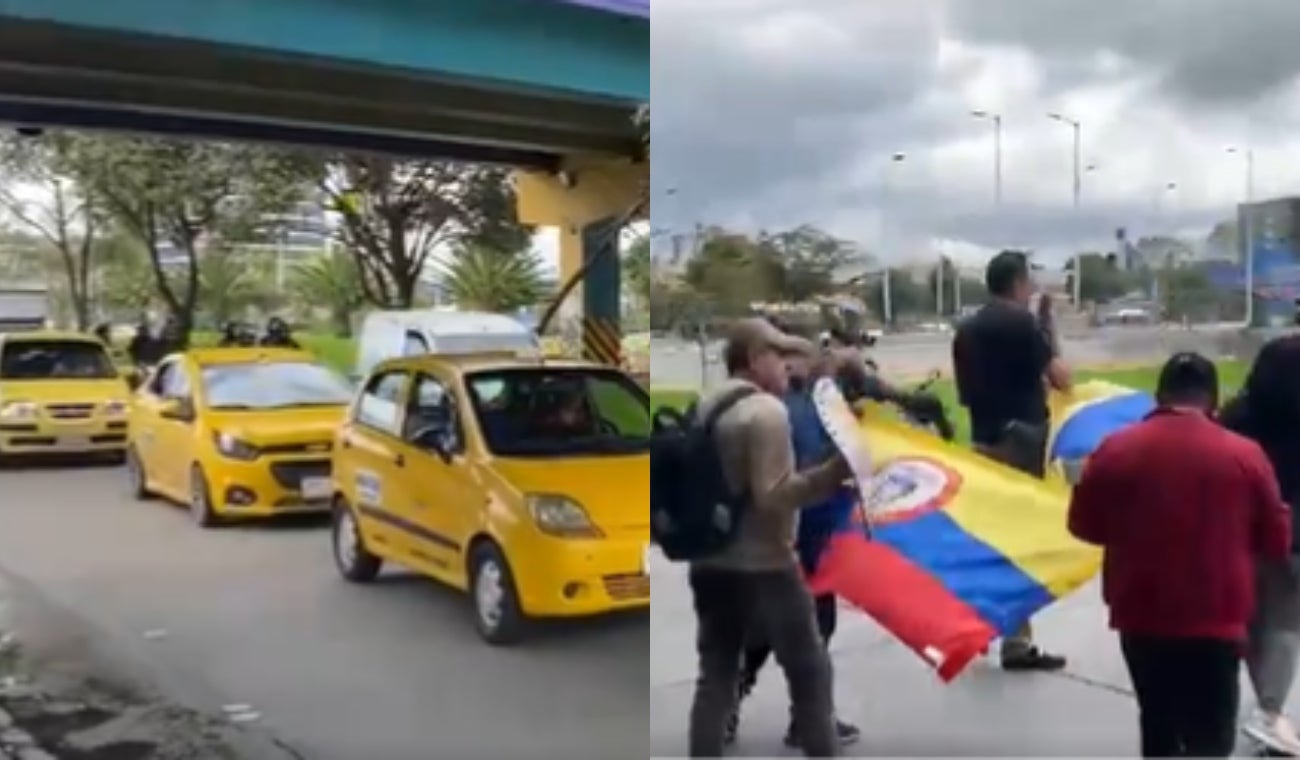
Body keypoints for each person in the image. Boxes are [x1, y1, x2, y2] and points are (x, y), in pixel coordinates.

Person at [1068, 352, 1291, 758]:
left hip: (1140, 611)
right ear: (1214, 399)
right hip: (1218, 615)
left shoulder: (1114, 450)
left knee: (1158, 722)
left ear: (1159, 396)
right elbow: (1276, 541)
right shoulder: (1245, 455)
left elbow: (1083, 526)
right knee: (1211, 734)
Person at [687, 317, 849, 758]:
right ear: (756, 358)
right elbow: (774, 495)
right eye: (781, 357)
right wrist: (831, 474)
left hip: (710, 559)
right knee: (809, 672)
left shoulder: (708, 404)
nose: (788, 368)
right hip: (766, 564)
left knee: (717, 675)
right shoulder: (766, 412)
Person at [725, 344, 862, 750]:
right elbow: (806, 475)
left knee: (765, 630)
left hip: (770, 540)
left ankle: (728, 706)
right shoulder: (796, 408)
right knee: (811, 631)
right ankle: (807, 719)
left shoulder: (763, 404)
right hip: (804, 538)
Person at [951, 250, 1071, 671]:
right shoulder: (1023, 324)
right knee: (1020, 544)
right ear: (1019, 283)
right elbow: (1061, 377)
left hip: (983, 440)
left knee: (989, 541)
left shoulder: (966, 331)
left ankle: (973, 627)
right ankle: (1017, 642)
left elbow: (966, 395)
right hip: (1022, 441)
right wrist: (1048, 328)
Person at [1220, 335, 1300, 754]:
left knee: (1254, 619)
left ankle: (1268, 708)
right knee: (1285, 619)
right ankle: (1270, 710)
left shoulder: (1239, 416)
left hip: (1243, 526)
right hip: (1293, 525)